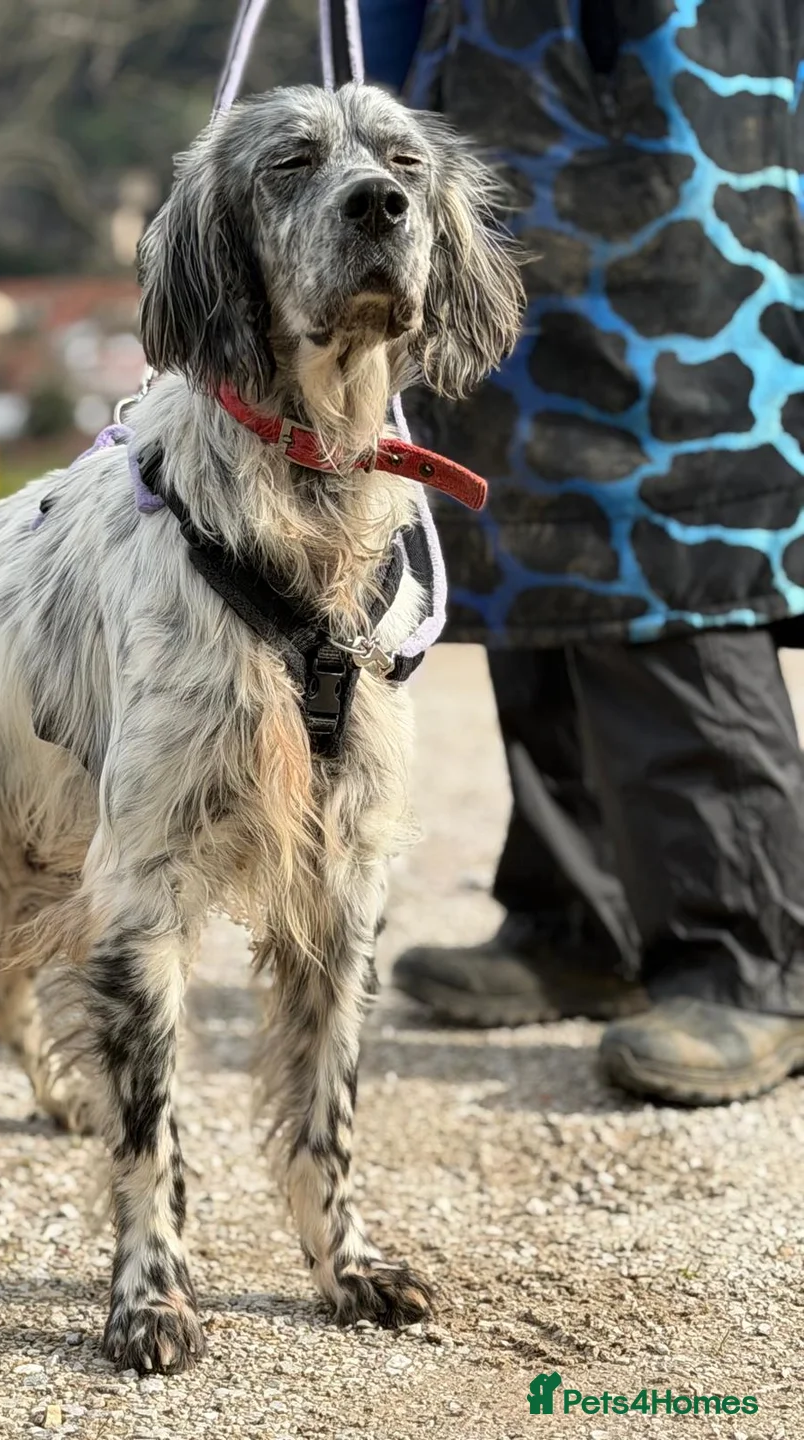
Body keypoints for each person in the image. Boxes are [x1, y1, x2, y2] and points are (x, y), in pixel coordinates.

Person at [360, 0, 804, 1104]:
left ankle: (749, 957)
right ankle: (582, 916)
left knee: (664, 499)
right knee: (524, 500)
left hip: (678, 80)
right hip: (484, 71)